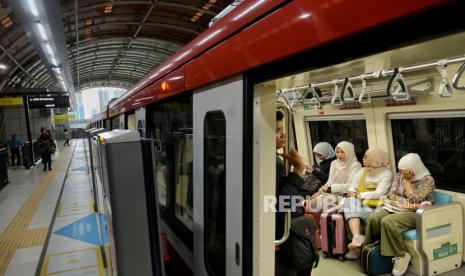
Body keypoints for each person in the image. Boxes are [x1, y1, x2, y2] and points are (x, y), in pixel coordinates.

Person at [360, 153, 434, 276]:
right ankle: (371, 248)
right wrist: (402, 201)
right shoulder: (399, 175)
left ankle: (401, 255)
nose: (402, 173)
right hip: (398, 208)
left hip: (418, 213)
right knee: (374, 217)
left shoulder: (427, 180)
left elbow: (414, 200)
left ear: (414, 168)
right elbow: (392, 194)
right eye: (400, 171)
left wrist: (407, 181)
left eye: (405, 171)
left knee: (388, 221)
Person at [275, 111, 314, 276]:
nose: (283, 134)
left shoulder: (276, 160)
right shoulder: (271, 164)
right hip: (281, 232)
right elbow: (282, 204)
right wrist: (298, 171)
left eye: (282, 129)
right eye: (277, 130)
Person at [342, 148, 392, 260]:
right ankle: (356, 239)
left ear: (377, 160)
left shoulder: (386, 174)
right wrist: (343, 203)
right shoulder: (362, 171)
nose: (363, 159)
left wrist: (358, 195)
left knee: (351, 208)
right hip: (361, 206)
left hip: (376, 209)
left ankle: (357, 247)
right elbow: (352, 189)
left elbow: (380, 193)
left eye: (366, 156)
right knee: (348, 203)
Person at [308, 141, 362, 214]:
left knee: (325, 204)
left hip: (345, 195)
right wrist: (320, 191)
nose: (339, 154)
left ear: (349, 152)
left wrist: (331, 188)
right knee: (311, 203)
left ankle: (330, 224)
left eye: (342, 152)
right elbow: (330, 181)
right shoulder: (334, 163)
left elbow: (350, 185)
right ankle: (319, 225)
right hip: (331, 193)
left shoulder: (356, 165)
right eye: (337, 152)